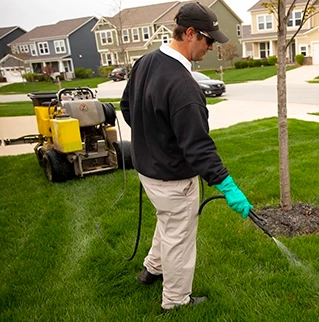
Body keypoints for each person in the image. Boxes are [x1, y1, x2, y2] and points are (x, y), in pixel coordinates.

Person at [120, 2, 253, 311]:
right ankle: (176, 301)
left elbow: (128, 107)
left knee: (166, 221)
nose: (210, 47)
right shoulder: (183, 86)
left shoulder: (145, 61)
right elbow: (198, 148)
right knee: (179, 237)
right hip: (171, 178)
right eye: (208, 40)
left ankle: (152, 269)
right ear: (190, 33)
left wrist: (152, 141)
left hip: (147, 170)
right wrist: (228, 186)